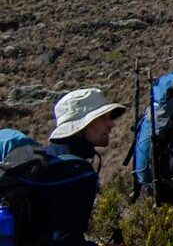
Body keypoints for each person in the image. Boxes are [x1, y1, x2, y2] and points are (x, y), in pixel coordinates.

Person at [25, 88, 125, 246]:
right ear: (83, 124)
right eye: (103, 117)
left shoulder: (48, 156)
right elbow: (64, 240)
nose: (111, 123)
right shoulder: (77, 172)